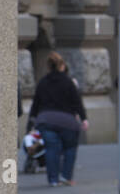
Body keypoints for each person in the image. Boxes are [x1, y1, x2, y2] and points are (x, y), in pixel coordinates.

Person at [27, 52, 89, 186]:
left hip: (46, 120)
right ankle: (66, 176)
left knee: (51, 149)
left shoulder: (42, 82)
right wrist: (84, 118)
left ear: (48, 66)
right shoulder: (68, 82)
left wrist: (31, 124)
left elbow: (35, 104)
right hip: (66, 121)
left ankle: (53, 179)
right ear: (62, 66)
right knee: (70, 147)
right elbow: (76, 102)